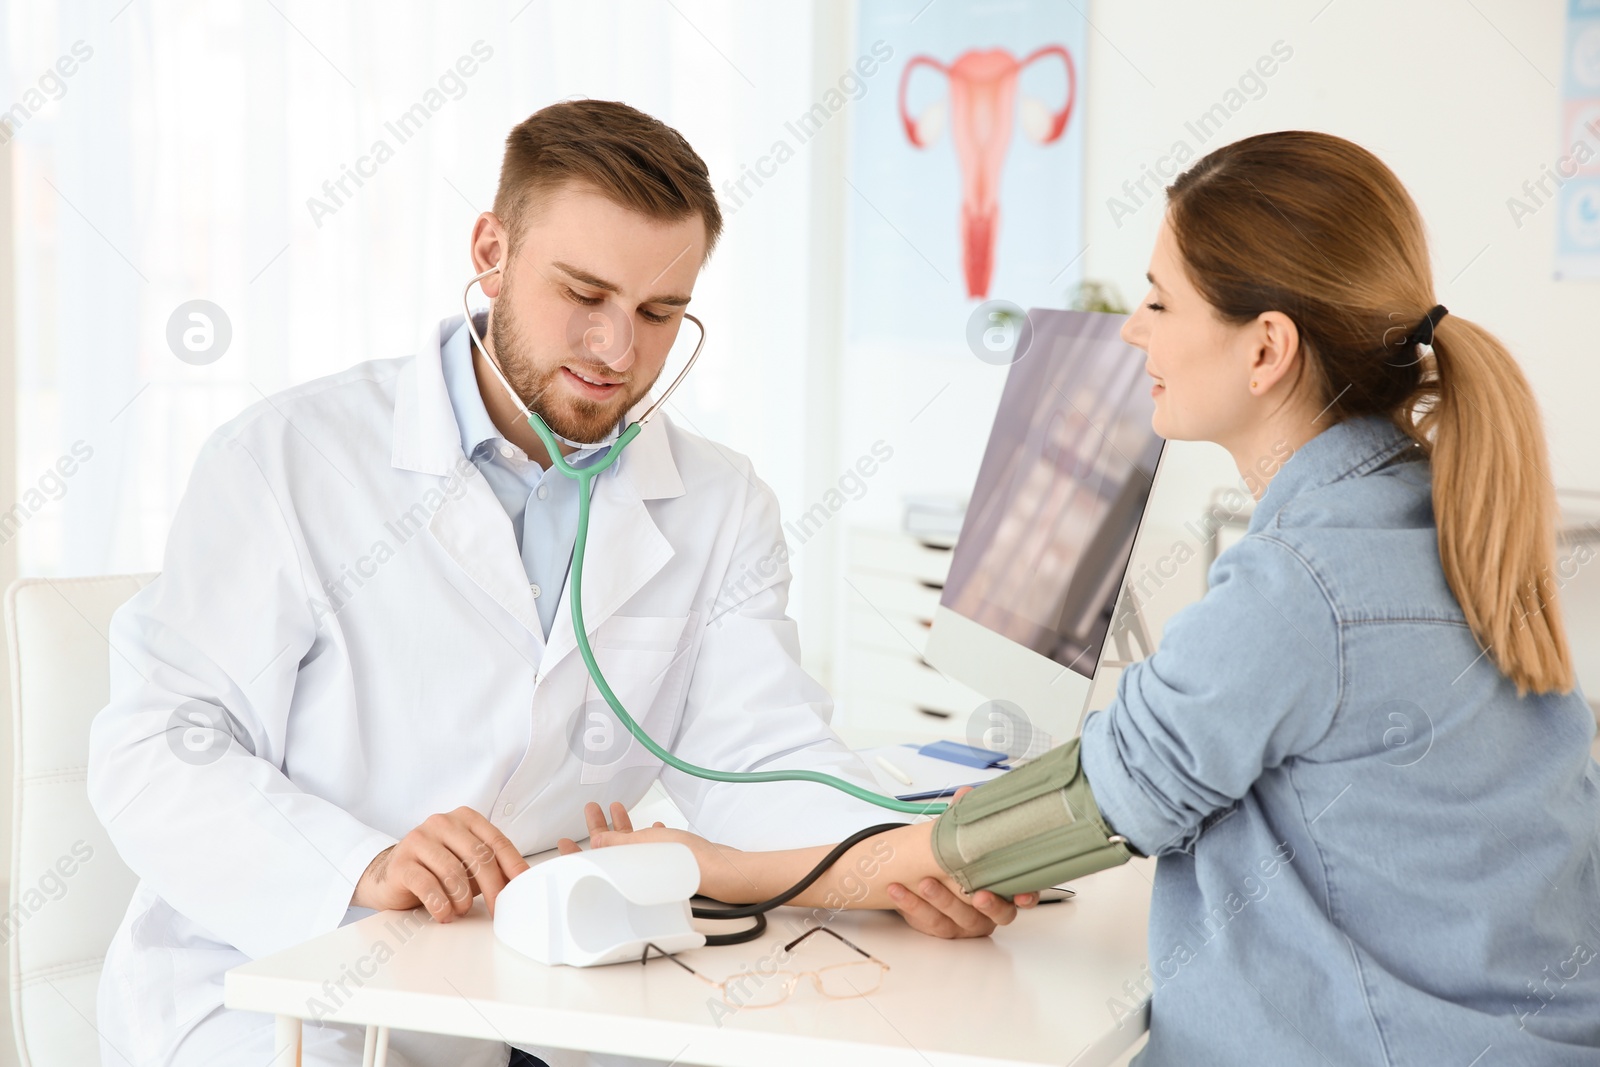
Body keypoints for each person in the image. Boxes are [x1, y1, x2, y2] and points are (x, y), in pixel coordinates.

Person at [576, 130, 1600, 1065]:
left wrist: (715, 863)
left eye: (1159, 302)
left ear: (1264, 347)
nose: (1131, 335)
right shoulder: (1435, 511)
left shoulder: (1301, 583)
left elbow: (1061, 819)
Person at [85, 100, 1027, 1067]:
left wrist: (892, 861)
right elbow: (158, 747)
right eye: (584, 293)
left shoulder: (718, 500)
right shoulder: (287, 459)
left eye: (660, 313)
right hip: (269, 986)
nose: (618, 351)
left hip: (528, 989)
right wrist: (360, 861)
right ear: (491, 251)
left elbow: (761, 760)